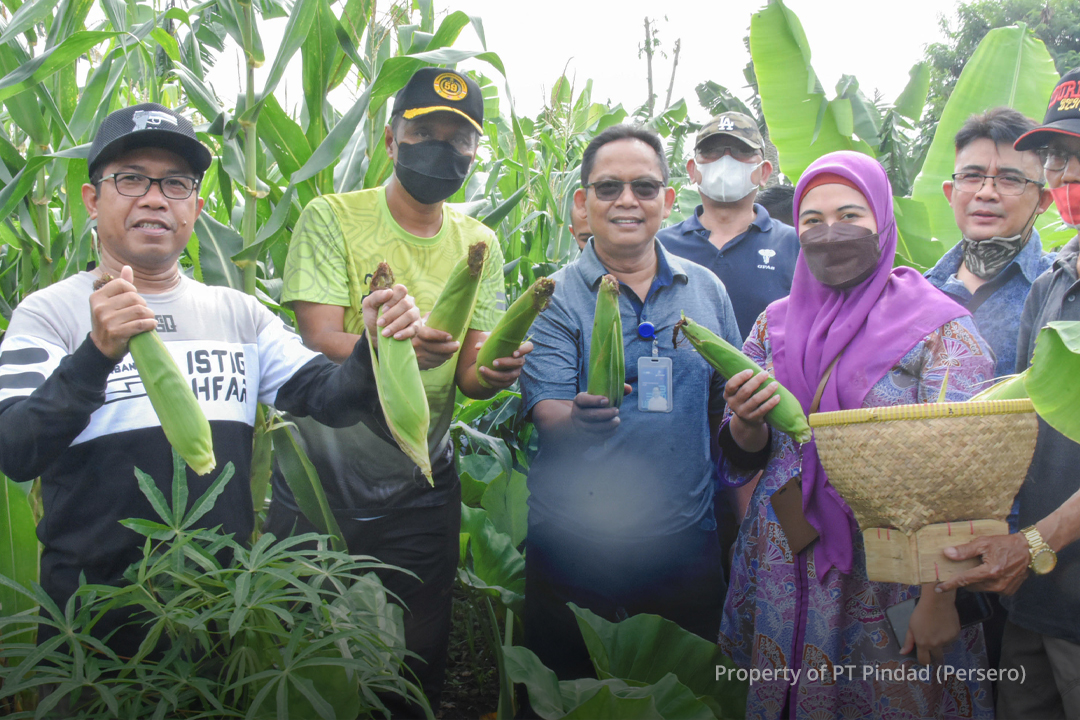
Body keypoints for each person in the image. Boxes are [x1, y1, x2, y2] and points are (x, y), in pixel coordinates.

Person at [0, 103, 421, 658]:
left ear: (196, 207)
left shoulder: (239, 314)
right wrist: (95, 355)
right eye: (130, 179)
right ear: (92, 199)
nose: (154, 197)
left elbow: (332, 400)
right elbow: (15, 449)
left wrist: (374, 344)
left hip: (217, 614)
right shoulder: (48, 314)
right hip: (95, 625)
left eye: (174, 183)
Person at [263, 67, 529, 715]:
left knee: (415, 661)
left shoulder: (480, 244)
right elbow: (319, 335)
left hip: (421, 480)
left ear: (474, 153)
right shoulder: (333, 217)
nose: (441, 148)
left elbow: (468, 372)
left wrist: (492, 372)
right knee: (311, 657)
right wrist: (389, 345)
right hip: (323, 480)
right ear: (390, 139)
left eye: (458, 138)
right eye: (424, 131)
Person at [718, 151, 997, 719]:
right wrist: (745, 423)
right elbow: (748, 453)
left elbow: (965, 479)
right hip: (785, 564)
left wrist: (940, 597)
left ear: (883, 222)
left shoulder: (940, 327)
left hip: (895, 576)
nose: (830, 234)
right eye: (812, 221)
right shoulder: (775, 321)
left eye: (850, 215)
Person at [519, 124, 741, 680]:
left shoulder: (707, 290)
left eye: (644, 188)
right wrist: (580, 420)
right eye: (608, 187)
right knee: (568, 700)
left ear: (667, 201)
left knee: (683, 701)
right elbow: (547, 412)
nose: (626, 201)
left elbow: (726, 409)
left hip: (684, 547)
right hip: (575, 546)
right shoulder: (554, 296)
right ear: (582, 202)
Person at [939, 68, 1080, 720]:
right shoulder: (1052, 279)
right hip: (1033, 595)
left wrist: (1032, 545)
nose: (1068, 173)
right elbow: (1021, 422)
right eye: (1058, 156)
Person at [924, 107, 1055, 377]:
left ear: (1043, 200)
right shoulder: (917, 295)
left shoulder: (1061, 288)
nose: (986, 193)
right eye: (971, 177)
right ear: (950, 193)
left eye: (1009, 179)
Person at [656, 111, 799, 340]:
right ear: (692, 170)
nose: (726, 160)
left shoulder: (795, 244)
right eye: (711, 151)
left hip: (766, 376)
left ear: (764, 172)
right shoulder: (660, 246)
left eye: (742, 151)